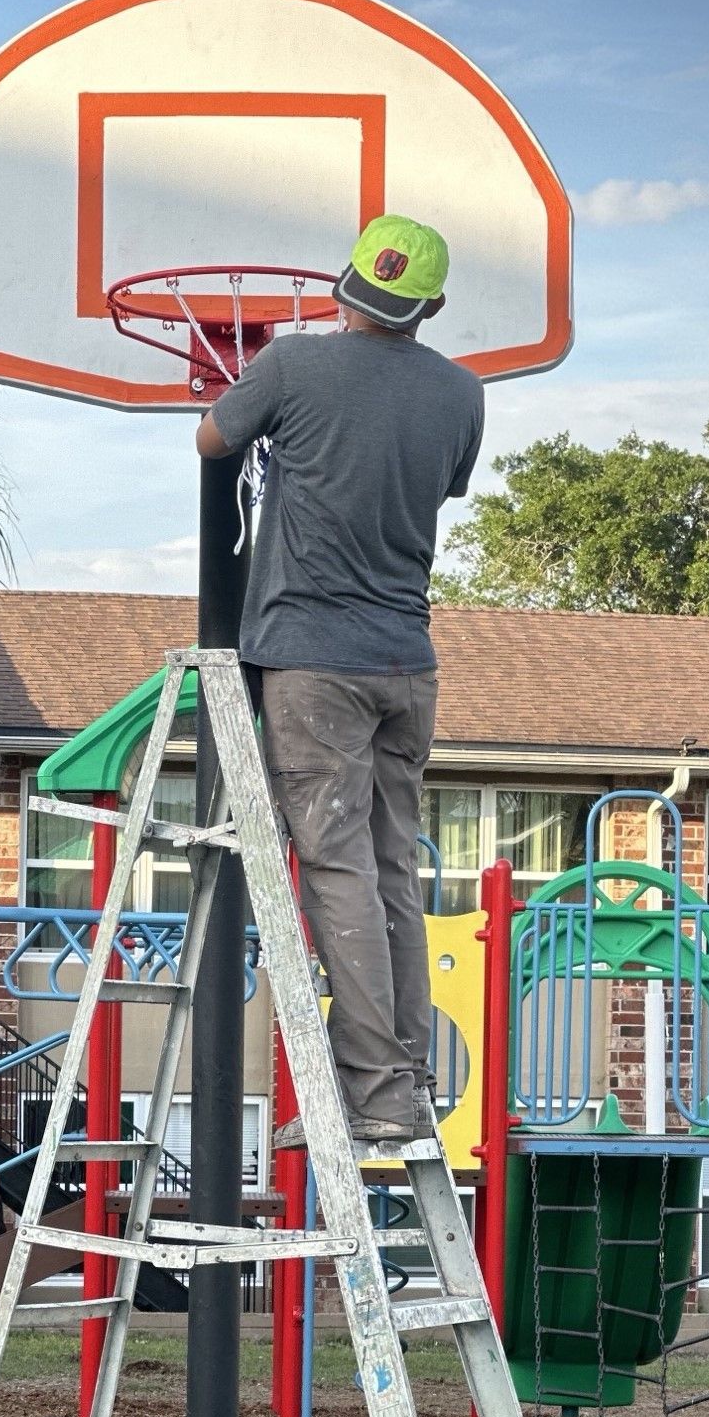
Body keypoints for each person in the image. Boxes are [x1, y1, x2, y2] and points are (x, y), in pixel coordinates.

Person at [196, 214, 484, 1148]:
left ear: (342, 287)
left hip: (313, 659)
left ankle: (381, 1094)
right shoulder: (462, 395)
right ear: (429, 306)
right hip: (409, 662)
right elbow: (434, 488)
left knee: (338, 868)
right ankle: (408, 1072)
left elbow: (212, 441)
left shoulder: (291, 366)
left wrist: (247, 397)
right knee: (393, 866)